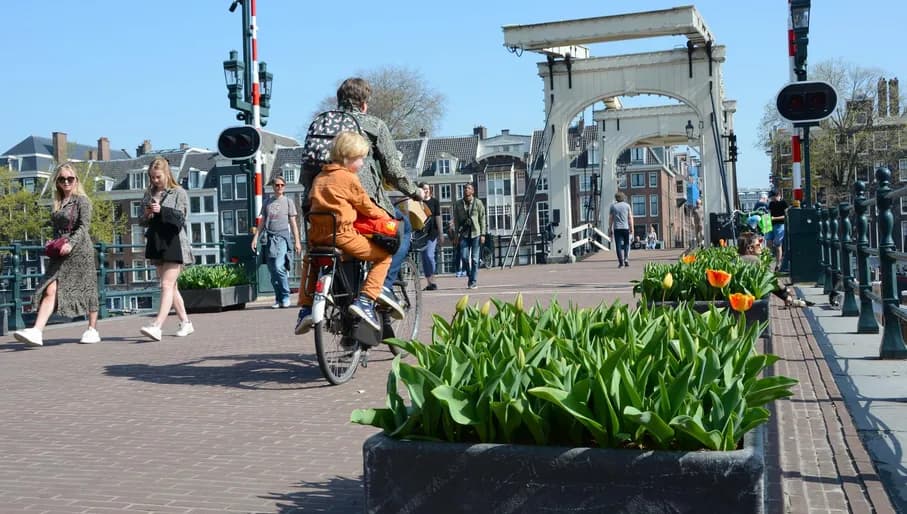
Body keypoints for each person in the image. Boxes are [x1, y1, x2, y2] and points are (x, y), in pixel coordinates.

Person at [299, 77, 423, 324]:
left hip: (319, 212)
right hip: (363, 204)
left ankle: (314, 305)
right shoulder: (373, 125)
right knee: (403, 229)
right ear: (364, 103)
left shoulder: (322, 125)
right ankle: (381, 290)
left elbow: (306, 174)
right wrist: (415, 192)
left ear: (339, 100)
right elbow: (393, 171)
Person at [295, 131, 396, 334]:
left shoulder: (320, 177)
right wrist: (386, 216)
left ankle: (306, 308)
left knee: (311, 263)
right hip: (343, 236)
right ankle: (366, 301)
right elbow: (366, 206)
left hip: (317, 238)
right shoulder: (348, 178)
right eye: (360, 158)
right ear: (348, 157)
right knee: (384, 256)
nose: (362, 163)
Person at [13, 163, 100, 347]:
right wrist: (53, 243)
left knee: (88, 288)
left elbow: (84, 227)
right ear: (57, 182)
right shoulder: (58, 203)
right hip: (61, 253)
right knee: (50, 288)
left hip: (80, 251)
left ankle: (92, 329)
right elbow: (56, 230)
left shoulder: (82, 201)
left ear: (76, 180)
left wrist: (71, 243)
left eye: (70, 178)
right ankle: (37, 331)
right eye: (62, 179)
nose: (66, 182)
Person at [139, 157, 195, 341]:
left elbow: (180, 219)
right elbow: (141, 221)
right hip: (157, 242)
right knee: (172, 287)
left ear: (167, 174)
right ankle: (186, 323)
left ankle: (157, 326)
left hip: (174, 242)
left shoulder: (178, 192)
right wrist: (147, 214)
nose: (155, 181)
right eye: (152, 177)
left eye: (158, 177)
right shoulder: (148, 194)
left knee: (166, 285)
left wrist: (160, 211)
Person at [251, 175, 302, 308]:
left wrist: (297, 241)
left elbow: (293, 223)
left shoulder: (288, 202)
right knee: (272, 270)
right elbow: (262, 222)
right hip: (269, 238)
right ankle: (278, 298)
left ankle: (285, 296)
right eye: (277, 185)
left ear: (284, 187)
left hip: (282, 237)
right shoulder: (267, 202)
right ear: (273, 187)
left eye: (282, 185)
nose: (279, 187)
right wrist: (255, 238)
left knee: (279, 266)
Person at [737, 232, 813, 307]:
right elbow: (771, 279)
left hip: (740, 296)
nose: (761, 246)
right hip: (751, 299)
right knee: (766, 282)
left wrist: (784, 295)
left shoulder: (738, 258)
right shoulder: (753, 260)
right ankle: (790, 300)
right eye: (758, 244)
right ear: (750, 248)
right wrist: (785, 290)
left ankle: (789, 300)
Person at [453, 183, 486, 289]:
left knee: (475, 259)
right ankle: (470, 276)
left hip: (476, 233)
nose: (466, 190)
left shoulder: (478, 203)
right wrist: (456, 235)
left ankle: (473, 281)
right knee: (464, 256)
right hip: (464, 234)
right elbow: (456, 221)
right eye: (465, 188)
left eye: (469, 188)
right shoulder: (458, 204)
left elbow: (482, 219)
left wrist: (483, 234)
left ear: (473, 191)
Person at [417, 182, 443, 291]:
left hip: (432, 232)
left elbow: (438, 217)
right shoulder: (417, 202)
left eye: (427, 189)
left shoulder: (435, 202)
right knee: (424, 258)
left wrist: (441, 233)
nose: (426, 190)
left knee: (429, 255)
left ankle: (433, 279)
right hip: (420, 233)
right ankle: (429, 283)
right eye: (423, 189)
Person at [609, 192, 634, 267]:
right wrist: (631, 227)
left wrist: (610, 228)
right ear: (623, 198)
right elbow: (630, 217)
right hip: (625, 228)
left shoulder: (613, 206)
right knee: (627, 244)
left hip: (617, 228)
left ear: (616, 198)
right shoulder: (627, 206)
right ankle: (626, 258)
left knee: (618, 246)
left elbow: (611, 219)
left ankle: (621, 262)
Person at [766, 189, 788, 272]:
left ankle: (778, 264)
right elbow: (769, 213)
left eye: (772, 197)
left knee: (778, 244)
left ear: (777, 195)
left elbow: (786, 215)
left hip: (780, 224)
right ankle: (768, 262)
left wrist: (775, 218)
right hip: (771, 224)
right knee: (768, 242)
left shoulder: (783, 203)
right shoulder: (771, 204)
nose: (772, 199)